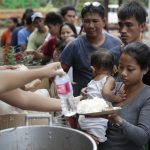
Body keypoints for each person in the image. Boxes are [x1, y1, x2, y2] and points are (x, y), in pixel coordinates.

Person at [60, 1, 122, 96]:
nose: (91, 26)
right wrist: (66, 96)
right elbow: (59, 75)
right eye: (87, 21)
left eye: (95, 21)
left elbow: (123, 74)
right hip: (82, 104)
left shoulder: (116, 44)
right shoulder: (74, 45)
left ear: (104, 22)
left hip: (110, 104)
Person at [97, 42, 150, 150]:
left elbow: (143, 137)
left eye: (130, 69)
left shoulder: (147, 95)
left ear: (145, 70)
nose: (123, 73)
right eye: (121, 67)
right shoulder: (112, 88)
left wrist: (117, 120)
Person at [78, 50, 124, 144]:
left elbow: (88, 96)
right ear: (113, 68)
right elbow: (106, 93)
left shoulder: (92, 82)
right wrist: (117, 98)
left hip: (84, 118)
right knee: (97, 142)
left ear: (93, 68)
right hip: (98, 119)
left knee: (88, 141)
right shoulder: (109, 79)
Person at [117, 1, 150, 86]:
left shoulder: (147, 57)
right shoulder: (112, 54)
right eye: (120, 25)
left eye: (129, 25)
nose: (123, 30)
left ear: (142, 26)